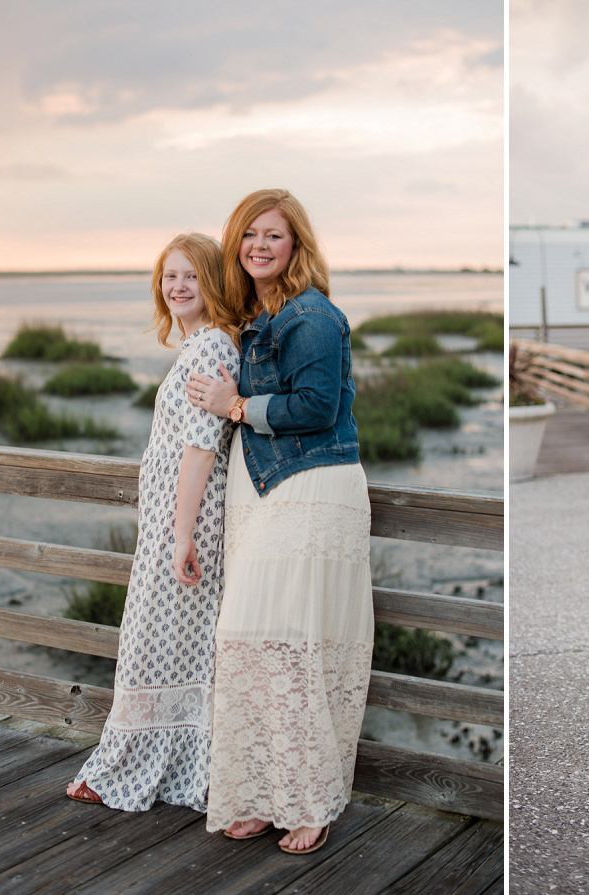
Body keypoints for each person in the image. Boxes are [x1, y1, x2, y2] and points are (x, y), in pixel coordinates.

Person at [187, 188, 373, 855]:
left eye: (274, 235)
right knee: (254, 646)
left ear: (296, 246)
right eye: (249, 236)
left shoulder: (312, 315)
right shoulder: (253, 316)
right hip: (264, 489)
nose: (260, 246)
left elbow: (319, 405)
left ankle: (311, 801)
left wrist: (235, 404)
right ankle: (264, 794)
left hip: (312, 488)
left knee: (294, 646)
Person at [66, 233, 243, 811]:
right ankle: (174, 769)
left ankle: (125, 768)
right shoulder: (197, 345)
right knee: (176, 644)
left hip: (188, 523)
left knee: (155, 641)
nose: (177, 287)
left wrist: (182, 533)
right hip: (173, 521)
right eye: (169, 276)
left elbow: (200, 447)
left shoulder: (210, 347)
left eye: (191, 276)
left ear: (213, 283)